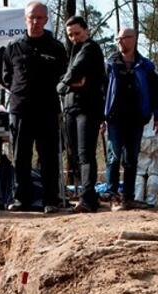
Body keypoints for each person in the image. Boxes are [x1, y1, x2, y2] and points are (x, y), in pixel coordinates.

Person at [0, 2, 68, 214]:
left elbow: (64, 75)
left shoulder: (56, 47)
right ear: (25, 18)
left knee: (48, 156)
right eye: (32, 17)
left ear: (46, 20)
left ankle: (51, 199)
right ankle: (22, 199)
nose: (35, 22)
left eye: (40, 18)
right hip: (20, 109)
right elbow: (6, 77)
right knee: (21, 156)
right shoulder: (13, 47)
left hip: (47, 109)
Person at [103, 28, 158, 211]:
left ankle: (128, 197)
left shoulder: (146, 66)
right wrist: (101, 116)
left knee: (131, 159)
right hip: (114, 118)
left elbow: (154, 93)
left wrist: (157, 115)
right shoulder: (110, 64)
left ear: (134, 39)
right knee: (113, 157)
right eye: (118, 38)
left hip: (136, 118)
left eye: (125, 38)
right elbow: (102, 91)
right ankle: (112, 195)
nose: (121, 41)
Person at [58, 16, 106, 213]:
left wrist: (62, 84)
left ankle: (86, 197)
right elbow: (69, 76)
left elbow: (76, 72)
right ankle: (88, 197)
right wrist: (67, 83)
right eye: (70, 35)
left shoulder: (90, 48)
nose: (74, 38)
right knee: (75, 155)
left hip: (87, 108)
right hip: (70, 108)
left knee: (85, 153)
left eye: (77, 33)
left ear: (86, 30)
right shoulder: (72, 52)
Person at [134, 93, 158, 207]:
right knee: (154, 170)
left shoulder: (137, 95)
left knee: (139, 170)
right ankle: (151, 200)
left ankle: (138, 198)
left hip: (141, 137)